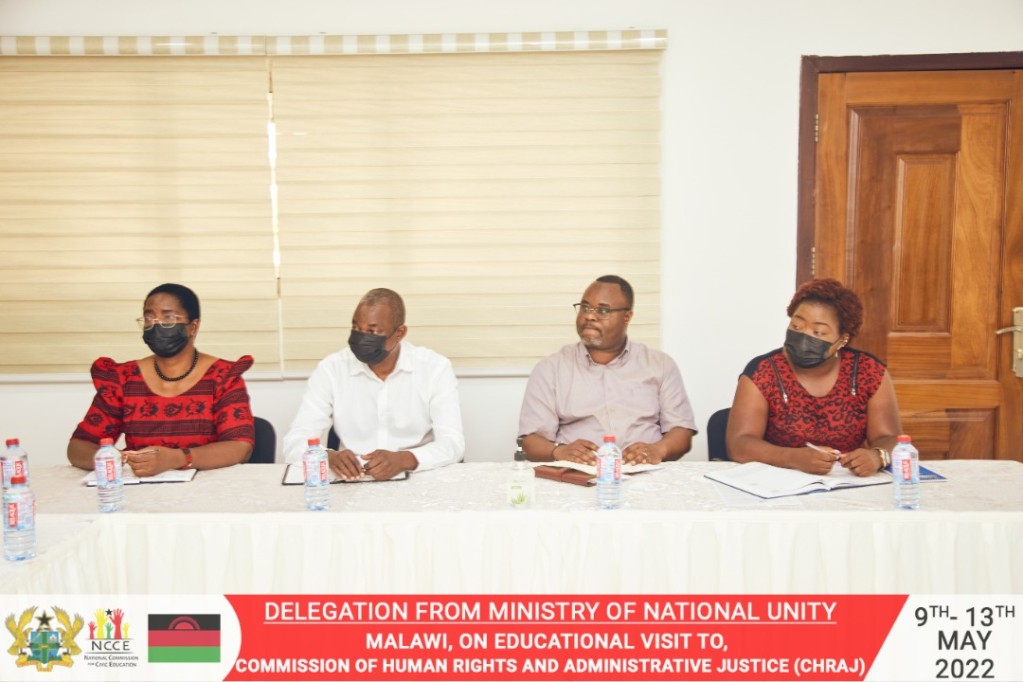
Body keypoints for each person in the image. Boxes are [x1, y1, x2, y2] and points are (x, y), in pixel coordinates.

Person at [68, 283, 255, 475]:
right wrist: (117, 459)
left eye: (169, 317)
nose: (156, 326)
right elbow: (79, 446)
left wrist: (178, 458)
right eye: (149, 318)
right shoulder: (123, 379)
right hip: (140, 487)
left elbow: (239, 447)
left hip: (206, 485)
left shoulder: (223, 377)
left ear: (193, 327)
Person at [283, 288, 464, 480]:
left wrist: (405, 459)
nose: (361, 338)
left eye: (372, 331)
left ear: (399, 333)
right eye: (356, 329)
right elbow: (295, 441)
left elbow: (453, 443)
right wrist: (327, 456)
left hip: (418, 478)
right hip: (351, 480)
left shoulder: (435, 369)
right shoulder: (331, 369)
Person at [726, 278, 901, 477]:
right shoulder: (763, 371)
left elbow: (891, 438)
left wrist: (878, 456)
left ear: (842, 339)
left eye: (818, 332)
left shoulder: (868, 371)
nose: (804, 337)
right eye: (796, 326)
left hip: (847, 483)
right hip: (778, 482)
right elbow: (739, 444)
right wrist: (793, 458)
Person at [518, 275, 697, 465]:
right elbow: (530, 440)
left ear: (627, 317)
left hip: (644, 472)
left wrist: (657, 450)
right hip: (577, 473)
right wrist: (560, 451)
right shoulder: (550, 369)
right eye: (585, 307)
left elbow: (681, 430)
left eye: (602, 310)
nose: (589, 316)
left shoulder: (660, 364)